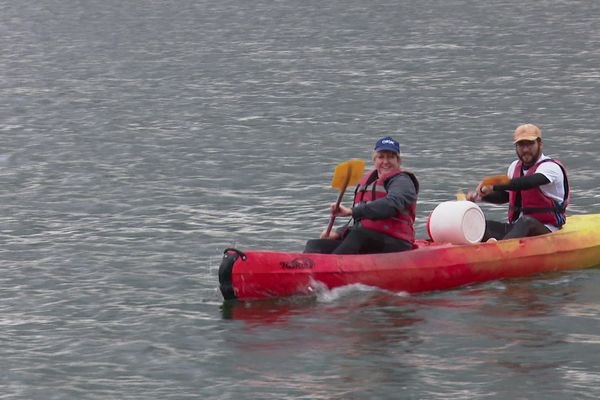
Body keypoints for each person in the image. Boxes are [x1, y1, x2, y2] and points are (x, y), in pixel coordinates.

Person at [304, 136, 419, 254]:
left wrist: (352, 211)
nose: (385, 161)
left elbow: (391, 205)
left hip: (396, 243)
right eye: (381, 157)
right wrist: (339, 232)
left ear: (398, 161)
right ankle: (302, 268)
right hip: (368, 238)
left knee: (358, 235)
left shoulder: (402, 181)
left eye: (390, 157)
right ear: (375, 160)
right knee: (316, 244)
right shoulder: (368, 181)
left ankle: (331, 269)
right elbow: (361, 221)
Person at [466, 123, 569, 241]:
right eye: (521, 145)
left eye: (530, 144)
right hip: (517, 228)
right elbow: (506, 196)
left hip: (547, 229)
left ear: (540, 144)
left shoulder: (550, 168)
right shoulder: (514, 166)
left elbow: (528, 182)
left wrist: (494, 185)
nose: (525, 150)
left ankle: (502, 250)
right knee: (480, 226)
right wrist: (481, 197)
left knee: (526, 221)